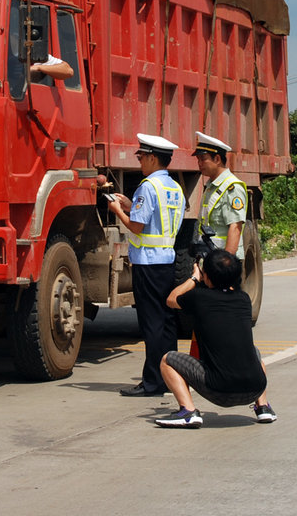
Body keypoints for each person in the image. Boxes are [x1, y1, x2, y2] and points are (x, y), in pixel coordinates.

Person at [155, 249, 276, 428]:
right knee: (254, 352)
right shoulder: (243, 299)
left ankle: (188, 411)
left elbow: (172, 299)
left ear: (208, 277)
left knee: (167, 359)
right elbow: (226, 290)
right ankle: (263, 407)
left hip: (219, 391)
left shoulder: (198, 297)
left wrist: (195, 277)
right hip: (255, 388)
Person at [107, 133, 184, 397]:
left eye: (141, 157)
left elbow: (137, 227)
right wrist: (131, 205)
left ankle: (153, 382)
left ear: (152, 158)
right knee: (167, 323)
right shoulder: (174, 187)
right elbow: (157, 220)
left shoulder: (148, 187)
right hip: (166, 261)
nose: (139, 161)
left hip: (148, 264)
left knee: (151, 324)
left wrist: (119, 211)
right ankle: (171, 376)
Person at [193, 131, 249, 260]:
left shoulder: (232, 188)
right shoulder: (211, 186)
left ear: (217, 159)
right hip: (211, 258)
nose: (199, 163)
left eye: (203, 159)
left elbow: (235, 227)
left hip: (223, 262)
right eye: (198, 160)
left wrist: (225, 263)